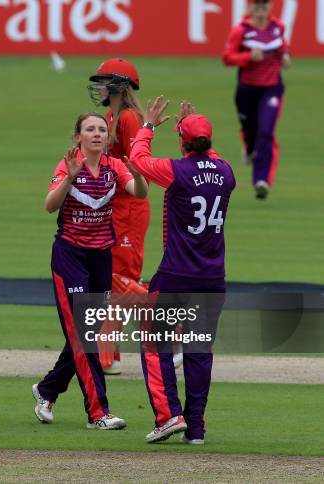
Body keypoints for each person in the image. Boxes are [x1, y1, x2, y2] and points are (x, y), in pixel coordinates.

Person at [128, 96, 235, 444]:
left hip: (175, 275)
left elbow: (138, 159)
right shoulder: (227, 172)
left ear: (183, 143)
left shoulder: (177, 172)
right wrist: (187, 128)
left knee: (154, 342)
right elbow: (210, 160)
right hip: (212, 279)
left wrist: (147, 127)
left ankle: (168, 415)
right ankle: (197, 430)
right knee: (199, 352)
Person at [32, 112, 148, 430]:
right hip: (70, 257)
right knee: (85, 337)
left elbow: (139, 192)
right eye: (89, 129)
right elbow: (49, 205)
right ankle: (98, 413)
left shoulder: (114, 165)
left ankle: (47, 389)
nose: (97, 134)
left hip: (100, 257)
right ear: (78, 136)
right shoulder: (68, 163)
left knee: (88, 334)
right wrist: (69, 178)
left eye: (101, 130)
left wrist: (138, 173)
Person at [88, 58, 150, 374]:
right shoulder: (112, 115)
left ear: (117, 85)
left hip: (130, 208)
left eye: (103, 81)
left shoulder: (128, 118)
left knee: (119, 280)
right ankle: (107, 356)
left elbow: (138, 165)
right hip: (116, 205)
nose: (98, 87)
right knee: (114, 283)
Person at [223, 0, 290, 199]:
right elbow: (227, 57)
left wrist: (285, 56)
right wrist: (248, 57)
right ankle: (249, 147)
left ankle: (261, 180)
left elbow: (281, 46)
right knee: (251, 131)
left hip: (272, 89)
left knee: (266, 131)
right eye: (257, 4)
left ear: (270, 7)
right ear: (251, 7)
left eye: (264, 4)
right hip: (247, 90)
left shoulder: (278, 26)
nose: (261, 8)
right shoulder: (241, 30)